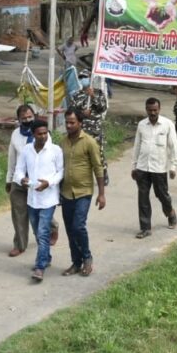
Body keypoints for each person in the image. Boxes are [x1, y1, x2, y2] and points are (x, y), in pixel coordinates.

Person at [12, 120, 63, 281]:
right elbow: (19, 170)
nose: (43, 136)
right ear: (33, 134)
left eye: (45, 133)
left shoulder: (55, 150)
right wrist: (22, 180)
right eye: (39, 133)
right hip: (32, 198)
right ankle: (46, 257)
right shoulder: (27, 150)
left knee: (42, 232)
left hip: (49, 198)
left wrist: (49, 183)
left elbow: (61, 172)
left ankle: (40, 266)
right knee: (37, 231)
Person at [59, 108, 106, 277]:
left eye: (72, 122)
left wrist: (101, 194)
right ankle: (76, 263)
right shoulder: (62, 143)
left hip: (83, 192)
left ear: (80, 123)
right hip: (66, 193)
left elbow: (98, 168)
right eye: (67, 122)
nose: (69, 125)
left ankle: (87, 257)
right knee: (70, 230)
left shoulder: (89, 142)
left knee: (78, 226)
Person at [130, 97, 177, 238]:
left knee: (162, 194)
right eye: (150, 110)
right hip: (143, 167)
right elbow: (137, 146)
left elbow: (173, 146)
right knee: (143, 197)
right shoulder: (141, 125)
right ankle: (145, 228)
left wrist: (173, 166)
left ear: (159, 109)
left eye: (155, 110)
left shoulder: (167, 124)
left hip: (159, 168)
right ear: (146, 109)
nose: (152, 113)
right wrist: (134, 166)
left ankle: (170, 212)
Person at [67, 69, 110, 185]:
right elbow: (72, 112)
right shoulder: (76, 95)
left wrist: (93, 96)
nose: (83, 79)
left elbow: (103, 108)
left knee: (98, 154)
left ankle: (103, 175)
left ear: (90, 78)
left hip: (95, 130)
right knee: (80, 154)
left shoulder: (99, 93)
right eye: (81, 77)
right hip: (81, 131)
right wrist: (82, 114)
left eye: (85, 77)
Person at [5, 104, 36, 256]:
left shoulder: (41, 132)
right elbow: (12, 158)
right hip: (18, 180)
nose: (27, 120)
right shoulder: (15, 135)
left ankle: (52, 228)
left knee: (38, 212)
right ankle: (19, 244)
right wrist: (9, 179)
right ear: (18, 119)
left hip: (35, 181)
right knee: (18, 213)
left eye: (30, 117)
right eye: (24, 118)